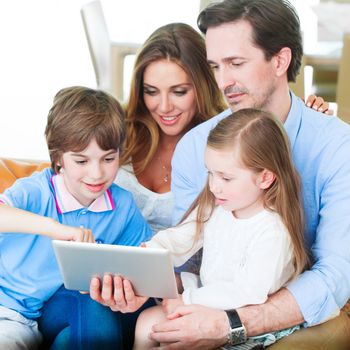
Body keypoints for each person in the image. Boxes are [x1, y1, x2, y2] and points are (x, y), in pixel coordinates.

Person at [149, 0, 349, 348]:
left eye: (236, 63)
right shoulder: (196, 148)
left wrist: (229, 324)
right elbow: (189, 254)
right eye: (215, 66)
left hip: (298, 318)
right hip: (211, 301)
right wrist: (143, 281)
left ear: (280, 61)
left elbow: (335, 276)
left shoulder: (336, 147)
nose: (223, 82)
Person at [114, 22, 328, 234]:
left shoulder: (229, 137)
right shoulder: (117, 130)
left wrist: (309, 119)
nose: (164, 107)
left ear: (203, 87)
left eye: (179, 92)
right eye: (151, 91)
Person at [133, 108, 309, 349]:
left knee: (171, 338)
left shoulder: (273, 231)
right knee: (147, 323)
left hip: (242, 321)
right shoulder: (218, 205)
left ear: (265, 178)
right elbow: (185, 236)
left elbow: (247, 292)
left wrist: (188, 300)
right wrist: (152, 250)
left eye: (226, 178)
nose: (214, 186)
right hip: (207, 301)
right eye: (210, 173)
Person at [0, 86, 152, 349]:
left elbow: (146, 263)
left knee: (82, 326)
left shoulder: (122, 206)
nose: (96, 174)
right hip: (8, 312)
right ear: (59, 158)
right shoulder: (37, 191)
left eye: (108, 159)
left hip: (51, 313)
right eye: (81, 161)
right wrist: (55, 229)